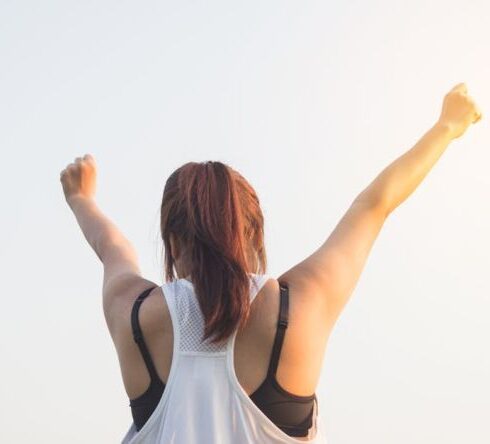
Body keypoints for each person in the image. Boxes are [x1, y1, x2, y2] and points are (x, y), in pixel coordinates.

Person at [60, 82, 481, 443]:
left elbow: (112, 247)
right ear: (253, 232)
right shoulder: (296, 308)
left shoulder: (135, 315)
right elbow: (372, 206)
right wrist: (446, 128)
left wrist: (81, 199)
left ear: (171, 238)